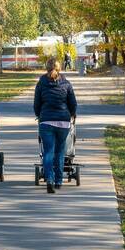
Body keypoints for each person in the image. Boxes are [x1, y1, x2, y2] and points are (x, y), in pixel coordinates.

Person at [34, 56, 77, 194]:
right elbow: (73, 104)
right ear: (59, 68)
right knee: (60, 152)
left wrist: (39, 115)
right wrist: (72, 114)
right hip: (63, 122)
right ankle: (58, 181)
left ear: (46, 68)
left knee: (48, 152)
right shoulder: (66, 83)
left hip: (46, 121)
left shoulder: (41, 83)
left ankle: (50, 180)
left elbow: (36, 104)